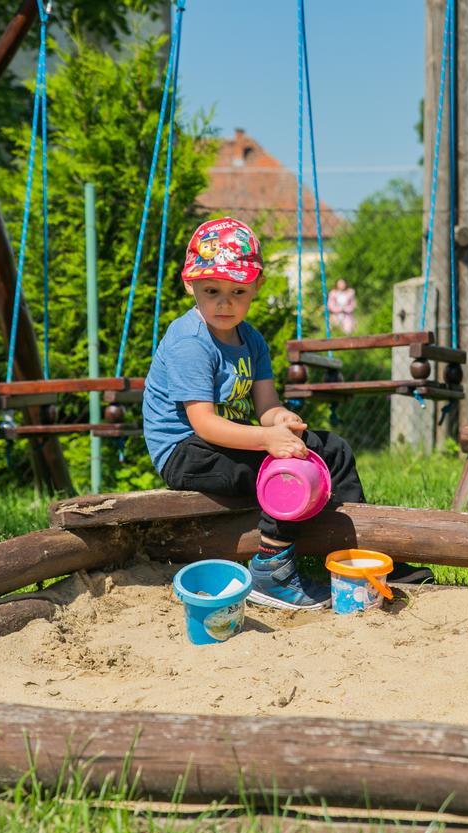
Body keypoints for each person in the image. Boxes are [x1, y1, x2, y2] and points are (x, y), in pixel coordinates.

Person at [143, 217, 369, 610]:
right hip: (186, 451)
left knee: (332, 449)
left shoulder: (251, 339)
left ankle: (360, 549)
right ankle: (272, 569)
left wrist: (281, 421)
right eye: (211, 290)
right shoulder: (190, 341)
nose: (224, 302)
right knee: (286, 469)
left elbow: (266, 406)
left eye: (237, 291)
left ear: (256, 287)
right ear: (189, 284)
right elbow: (204, 423)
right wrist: (267, 440)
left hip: (227, 440)